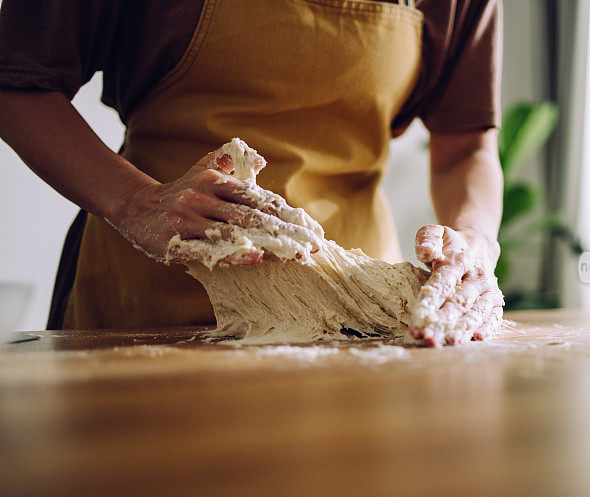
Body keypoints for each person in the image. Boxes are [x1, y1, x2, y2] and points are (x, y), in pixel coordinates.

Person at [0, 0, 504, 346]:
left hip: (357, 316)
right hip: (145, 302)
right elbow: (17, 86)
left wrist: (476, 241)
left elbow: (466, 141)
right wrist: (137, 203)